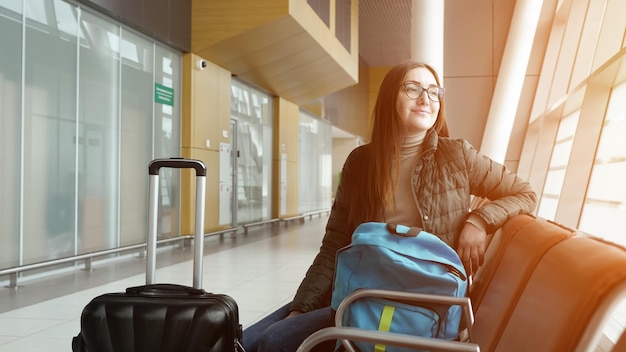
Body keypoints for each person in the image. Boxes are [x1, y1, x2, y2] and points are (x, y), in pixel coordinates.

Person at [242, 60, 537, 352]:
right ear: (389, 98)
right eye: (413, 89)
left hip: (421, 303)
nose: (426, 99)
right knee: (248, 340)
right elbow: (335, 245)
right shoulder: (361, 163)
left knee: (275, 342)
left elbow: (524, 193)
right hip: (362, 290)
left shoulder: (456, 155)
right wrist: (301, 307)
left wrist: (480, 221)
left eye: (434, 92)